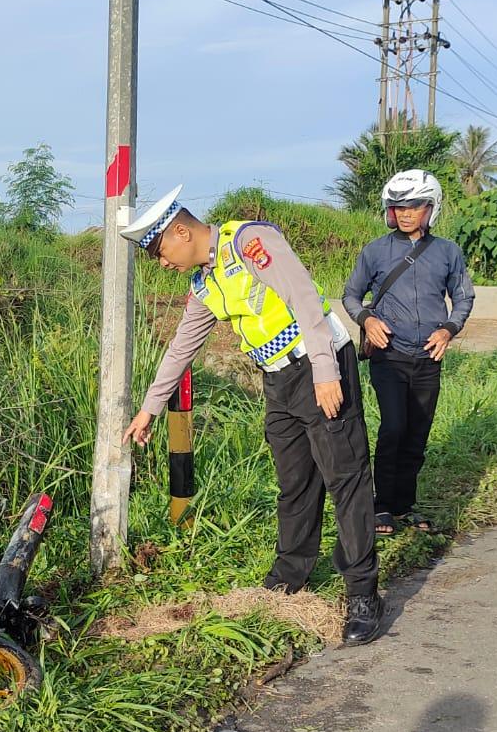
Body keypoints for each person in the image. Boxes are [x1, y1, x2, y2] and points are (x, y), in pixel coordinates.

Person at [119, 185, 384, 646]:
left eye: (160, 251)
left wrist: (325, 372)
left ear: (181, 232)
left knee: (346, 478)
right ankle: (289, 576)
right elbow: (182, 347)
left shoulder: (248, 242)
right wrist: (149, 409)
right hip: (278, 380)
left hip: (318, 365)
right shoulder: (205, 283)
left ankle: (363, 594)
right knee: (294, 482)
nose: (162, 263)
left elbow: (303, 297)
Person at [342, 169, 475, 536]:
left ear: (431, 208)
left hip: (428, 357)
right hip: (389, 355)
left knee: (417, 434)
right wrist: (367, 319)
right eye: (398, 207)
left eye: (414, 206)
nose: (405, 214)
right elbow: (351, 295)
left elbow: (464, 296)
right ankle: (382, 505)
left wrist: (449, 329)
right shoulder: (375, 251)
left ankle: (404, 505)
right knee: (393, 427)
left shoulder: (448, 252)